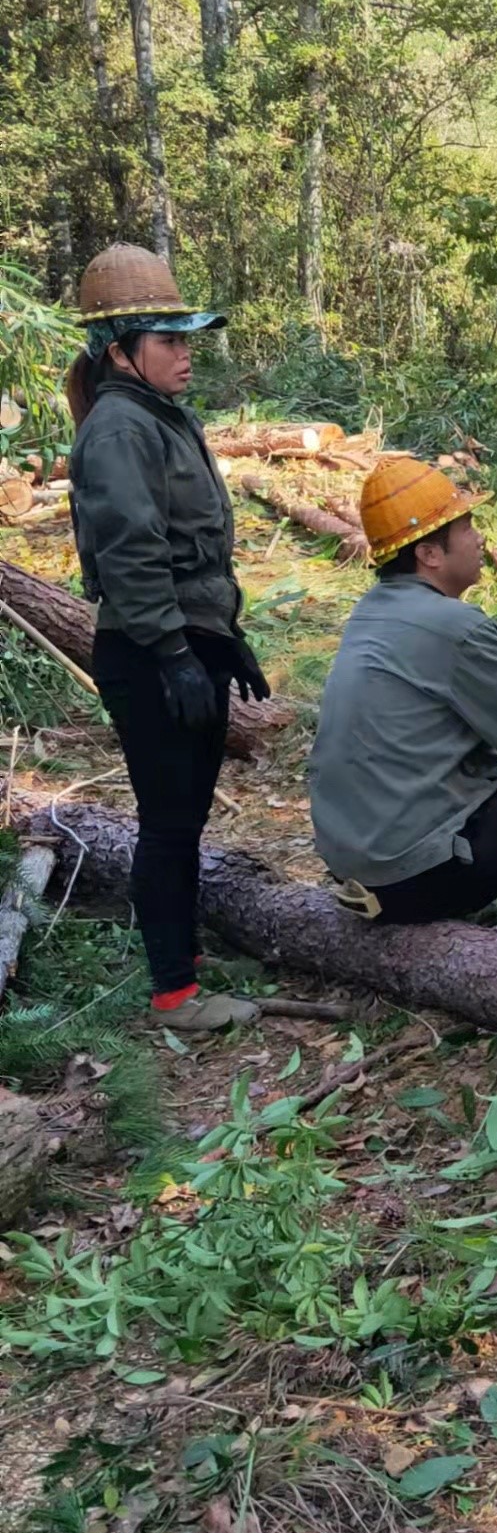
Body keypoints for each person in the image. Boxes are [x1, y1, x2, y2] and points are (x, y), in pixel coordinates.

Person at [66, 244, 270, 1033]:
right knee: (169, 820)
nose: (185, 354)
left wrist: (224, 638)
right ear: (120, 351)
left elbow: (193, 548)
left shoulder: (157, 414)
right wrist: (174, 654)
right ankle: (174, 993)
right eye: (168, 340)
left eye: (186, 339)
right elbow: (132, 554)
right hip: (151, 652)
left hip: (186, 640)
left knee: (185, 815)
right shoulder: (120, 428)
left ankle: (181, 954)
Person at [309, 454, 497, 927]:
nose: (480, 538)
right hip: (413, 880)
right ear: (430, 554)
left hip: (360, 871)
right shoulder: (453, 625)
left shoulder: (373, 612)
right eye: (467, 528)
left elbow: (425, 713)